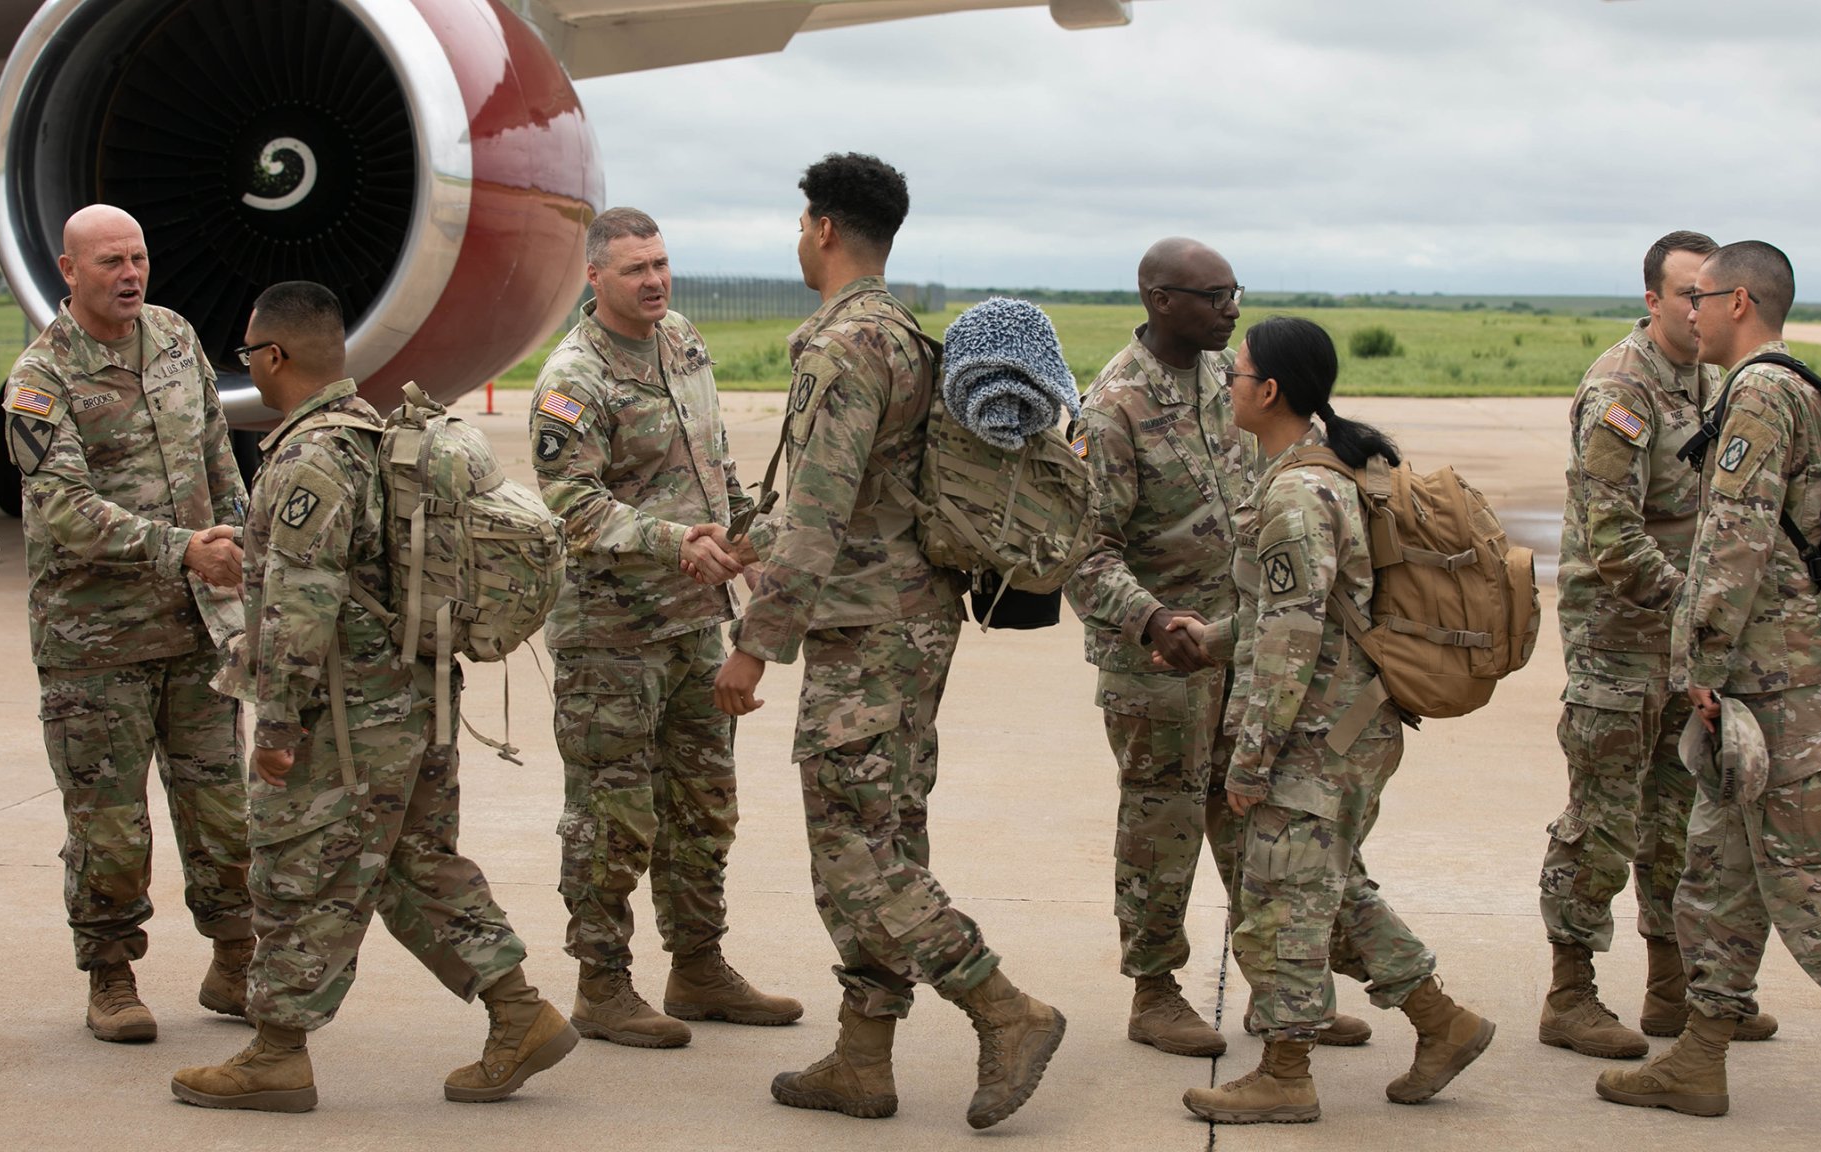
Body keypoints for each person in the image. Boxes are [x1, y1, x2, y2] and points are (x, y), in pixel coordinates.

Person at [710, 152, 1064, 1130]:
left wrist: (752, 646)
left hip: (864, 632)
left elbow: (822, 516)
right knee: (884, 838)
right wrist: (745, 548)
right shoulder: (904, 337)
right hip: (910, 620)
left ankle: (1003, 1007)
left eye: (800, 227)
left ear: (821, 230)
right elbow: (864, 498)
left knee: (855, 856)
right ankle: (863, 1058)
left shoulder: (841, 347)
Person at [171, 282, 575, 1112]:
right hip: (416, 697)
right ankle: (519, 1014)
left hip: (347, 716)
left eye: (252, 354)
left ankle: (277, 1052)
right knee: (415, 864)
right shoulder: (371, 435)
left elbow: (300, 602)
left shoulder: (308, 459)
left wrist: (277, 723)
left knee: (295, 868)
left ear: (273, 357)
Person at [1595, 242, 1821, 1136]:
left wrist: (1700, 669)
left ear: (1739, 302)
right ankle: (1700, 1057)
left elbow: (1733, 544)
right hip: (1760, 675)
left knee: (1803, 874)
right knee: (1717, 873)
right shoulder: (1774, 387)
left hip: (1774, 679)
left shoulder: (1758, 393)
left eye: (1701, 298)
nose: (1689, 313)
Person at [1183, 316, 1494, 1124]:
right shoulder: (1328, 470)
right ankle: (1443, 1022)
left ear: (1272, 391)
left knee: (1283, 902)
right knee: (1332, 889)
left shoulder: (1295, 492)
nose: (1229, 385)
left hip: (1318, 734)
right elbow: (1302, 610)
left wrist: (1250, 759)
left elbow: (1292, 635)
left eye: (1238, 374)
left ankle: (1286, 1075)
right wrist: (1213, 640)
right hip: (1350, 721)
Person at [1068, 240, 1371, 1053]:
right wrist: (1150, 617)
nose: (1233, 309)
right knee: (1161, 828)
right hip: (1157, 661)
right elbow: (1080, 549)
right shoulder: (1112, 407)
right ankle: (1155, 991)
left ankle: (1282, 988)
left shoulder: (1223, 381)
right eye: (1216, 296)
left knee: (1256, 826)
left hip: (1237, 648)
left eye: (1236, 293)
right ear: (1162, 300)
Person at [530, 206, 801, 1049]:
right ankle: (602, 986)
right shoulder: (575, 377)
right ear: (595, 278)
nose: (654, 281)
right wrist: (672, 540)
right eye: (635, 269)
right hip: (613, 634)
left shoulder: (681, 340)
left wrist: (746, 550)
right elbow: (570, 504)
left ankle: (699, 968)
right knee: (612, 819)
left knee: (702, 806)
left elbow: (711, 461)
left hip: (693, 627)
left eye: (661, 263)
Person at [2, 204, 251, 1043]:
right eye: (110, 261)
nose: (130, 274)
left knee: (225, 813)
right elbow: (65, 510)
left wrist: (244, 553)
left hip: (195, 633)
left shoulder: (176, 338)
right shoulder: (41, 380)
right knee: (109, 826)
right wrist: (185, 550)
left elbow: (220, 458)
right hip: (92, 646)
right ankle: (111, 973)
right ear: (69, 272)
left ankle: (237, 958)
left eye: (139, 257)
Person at [1540, 231, 1779, 1058]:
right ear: (1652, 299)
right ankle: (1570, 993)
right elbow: (1611, 536)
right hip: (1619, 639)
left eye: (1706, 293)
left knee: (1676, 819)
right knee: (1601, 819)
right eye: (1682, 293)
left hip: (1681, 644)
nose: (1695, 306)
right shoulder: (1623, 387)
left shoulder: (1713, 380)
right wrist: (1699, 611)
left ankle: (1672, 989)